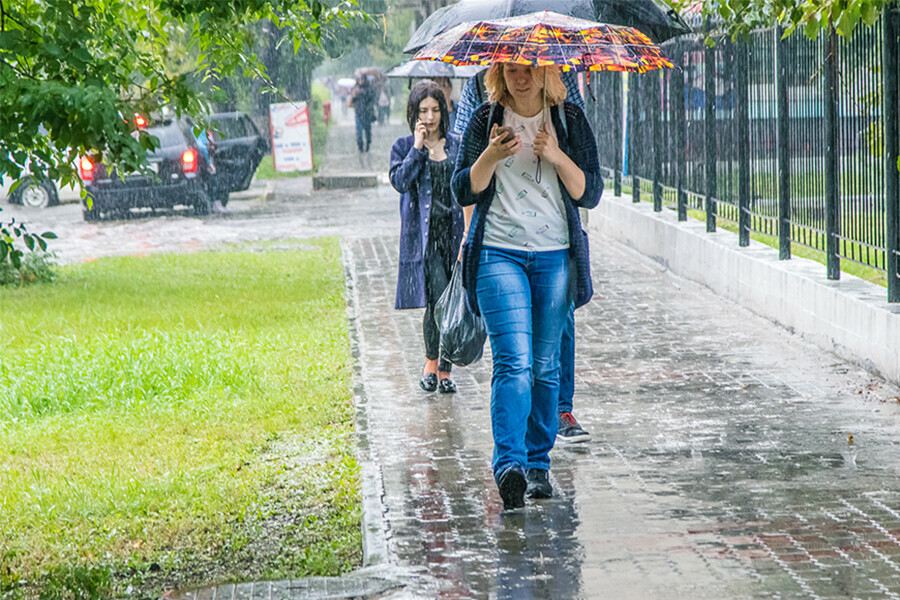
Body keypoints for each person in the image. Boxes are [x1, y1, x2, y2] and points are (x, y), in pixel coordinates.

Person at [451, 63, 602, 510]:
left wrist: (556, 155)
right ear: (499, 72)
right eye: (511, 69)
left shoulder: (569, 119)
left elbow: (590, 191)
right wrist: (490, 157)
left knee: (543, 364)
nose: (521, 78)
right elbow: (462, 189)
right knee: (513, 361)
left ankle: (538, 463)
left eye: (530, 69)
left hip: (554, 256)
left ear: (548, 72)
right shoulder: (485, 119)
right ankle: (510, 466)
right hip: (499, 253)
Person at [390, 80, 465, 395]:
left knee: (453, 302)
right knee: (436, 301)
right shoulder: (404, 146)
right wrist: (418, 149)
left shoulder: (458, 145)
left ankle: (446, 372)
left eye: (435, 109)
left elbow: (469, 188)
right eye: (423, 110)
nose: (430, 116)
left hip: (455, 234)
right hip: (425, 239)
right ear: (414, 112)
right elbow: (400, 181)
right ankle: (431, 364)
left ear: (444, 109)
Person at [351, 74, 376, 161]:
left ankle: (368, 145)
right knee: (359, 133)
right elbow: (352, 101)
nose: (361, 81)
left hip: (367, 114)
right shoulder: (355, 88)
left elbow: (372, 98)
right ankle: (360, 147)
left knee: (368, 131)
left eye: (362, 79)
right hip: (358, 113)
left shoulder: (369, 88)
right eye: (359, 79)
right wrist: (354, 96)